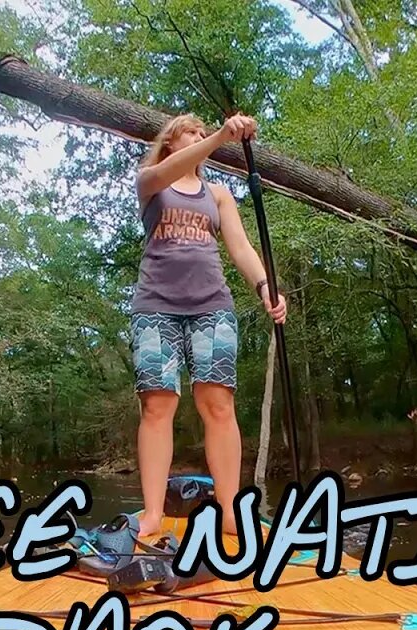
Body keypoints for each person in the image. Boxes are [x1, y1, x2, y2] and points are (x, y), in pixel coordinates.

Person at [131, 112, 287, 537]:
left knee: (218, 405)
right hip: (155, 308)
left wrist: (265, 287)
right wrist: (221, 135)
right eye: (192, 133)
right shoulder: (151, 180)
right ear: (169, 143)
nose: (200, 137)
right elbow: (163, 171)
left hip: (211, 307)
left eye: (204, 131)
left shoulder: (217, 195)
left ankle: (230, 510)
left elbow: (240, 248)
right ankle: (152, 513)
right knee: (157, 406)